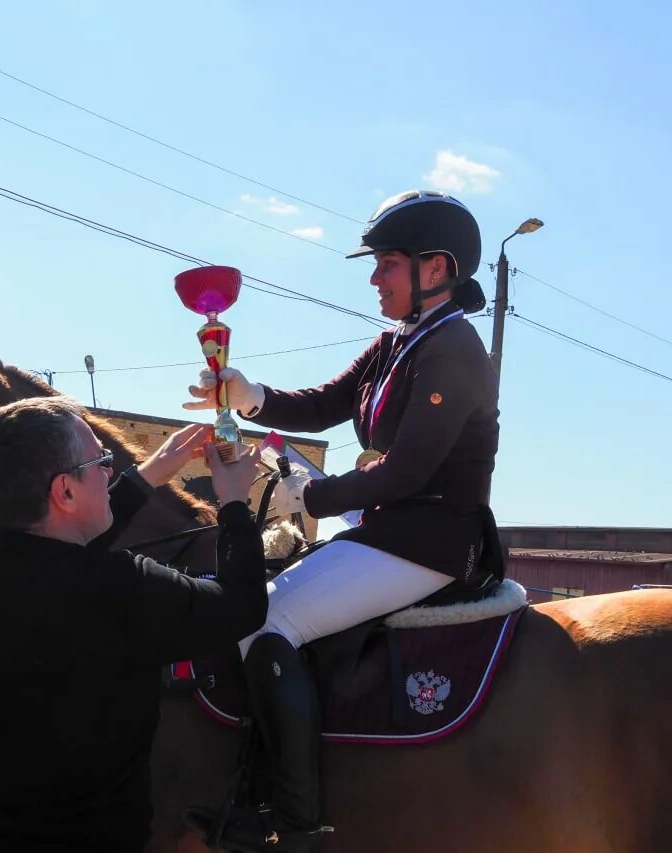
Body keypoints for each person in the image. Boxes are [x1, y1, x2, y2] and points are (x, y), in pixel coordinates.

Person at [183, 189, 502, 851]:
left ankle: (295, 824)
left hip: (428, 543)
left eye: (387, 263)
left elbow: (409, 473)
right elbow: (326, 400)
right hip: (386, 533)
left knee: (264, 616)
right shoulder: (397, 343)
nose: (374, 277)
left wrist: (311, 497)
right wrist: (251, 396)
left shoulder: (457, 352)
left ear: (434, 269)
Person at [0, 398, 268, 852]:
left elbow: (58, 553)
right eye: (101, 462)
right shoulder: (122, 589)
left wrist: (146, 478)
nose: (110, 471)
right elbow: (242, 606)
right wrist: (236, 503)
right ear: (65, 492)